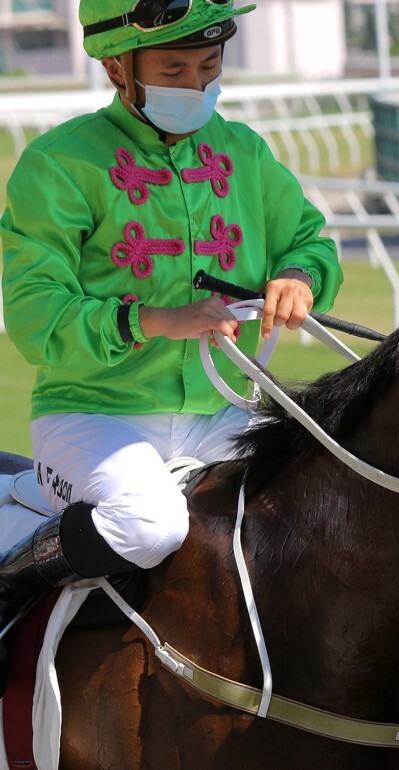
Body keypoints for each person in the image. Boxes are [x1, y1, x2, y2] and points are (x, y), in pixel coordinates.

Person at [0, 0, 342, 629]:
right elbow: (32, 313)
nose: (196, 86)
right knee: (152, 526)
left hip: (218, 413)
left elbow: (310, 240)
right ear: (115, 68)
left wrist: (300, 276)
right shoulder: (57, 164)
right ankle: (7, 583)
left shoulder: (244, 153)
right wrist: (152, 320)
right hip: (91, 418)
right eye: (173, 69)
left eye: (208, 67)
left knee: (321, 504)